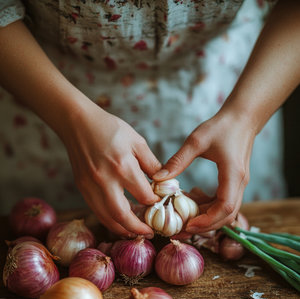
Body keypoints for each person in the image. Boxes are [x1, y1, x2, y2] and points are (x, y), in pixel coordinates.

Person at [0, 0, 299, 238]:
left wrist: (245, 117)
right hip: (47, 93)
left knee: (225, 230)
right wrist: (71, 118)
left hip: (234, 86)